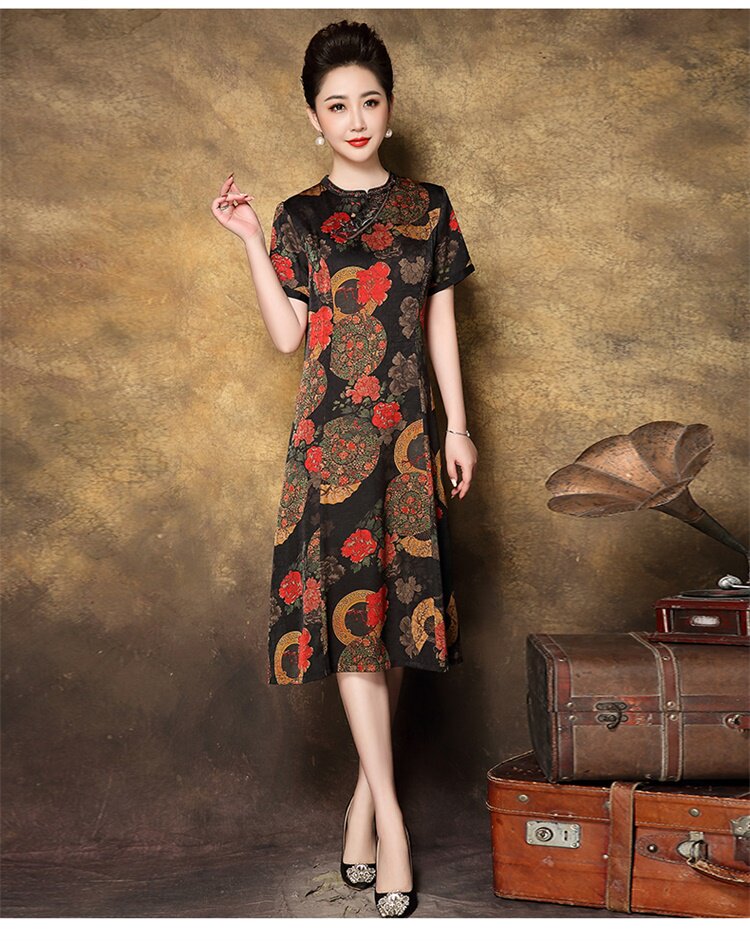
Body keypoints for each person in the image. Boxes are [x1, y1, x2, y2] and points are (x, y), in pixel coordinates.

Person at [211, 19, 477, 918]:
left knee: (394, 615)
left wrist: (459, 427)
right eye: (337, 106)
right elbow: (289, 335)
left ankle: (362, 806)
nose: (356, 119)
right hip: (330, 446)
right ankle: (393, 824)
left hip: (409, 440)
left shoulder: (430, 207)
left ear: (390, 110)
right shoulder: (299, 218)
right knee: (351, 617)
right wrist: (250, 239)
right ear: (314, 119)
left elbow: (442, 325)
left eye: (369, 101)